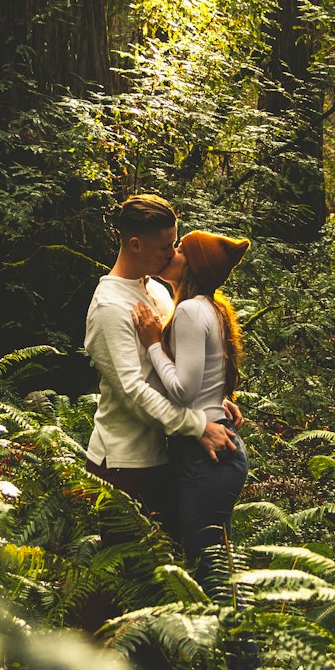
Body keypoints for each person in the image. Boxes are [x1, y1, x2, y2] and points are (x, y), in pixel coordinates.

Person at [84, 194, 238, 540]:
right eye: (166, 248)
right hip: (124, 464)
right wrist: (198, 426)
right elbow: (133, 392)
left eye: (175, 244)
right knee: (120, 580)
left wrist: (209, 400)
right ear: (135, 244)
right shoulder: (109, 306)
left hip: (164, 456)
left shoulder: (157, 292)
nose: (173, 256)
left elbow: (174, 366)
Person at [131, 229, 250, 568]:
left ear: (192, 266)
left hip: (208, 454)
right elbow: (207, 379)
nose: (173, 251)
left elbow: (184, 390)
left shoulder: (189, 312)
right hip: (210, 447)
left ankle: (227, 622)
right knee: (203, 564)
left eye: (181, 248)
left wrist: (153, 342)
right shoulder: (205, 308)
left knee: (208, 568)